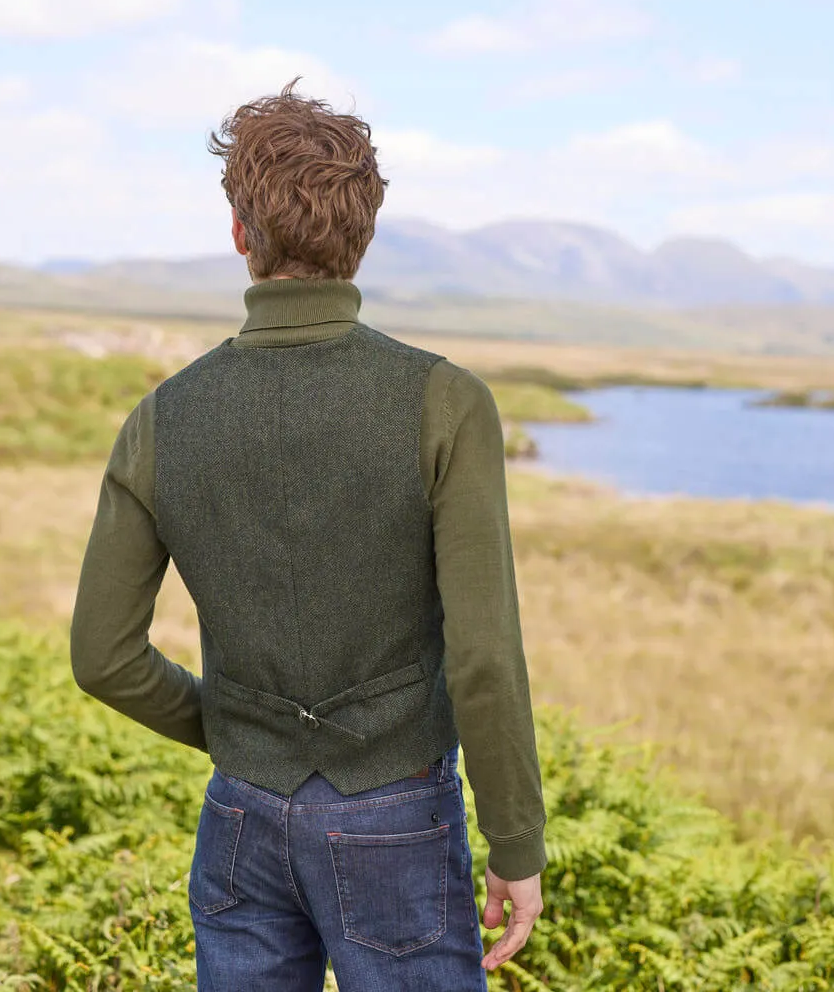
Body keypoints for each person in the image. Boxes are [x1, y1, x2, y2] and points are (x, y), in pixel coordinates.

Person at [70, 79, 547, 992]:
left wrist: (231, 729)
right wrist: (515, 840)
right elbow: (483, 656)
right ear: (362, 236)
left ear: (241, 234)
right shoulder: (445, 401)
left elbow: (103, 657)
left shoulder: (162, 418)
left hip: (240, 817)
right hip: (399, 815)